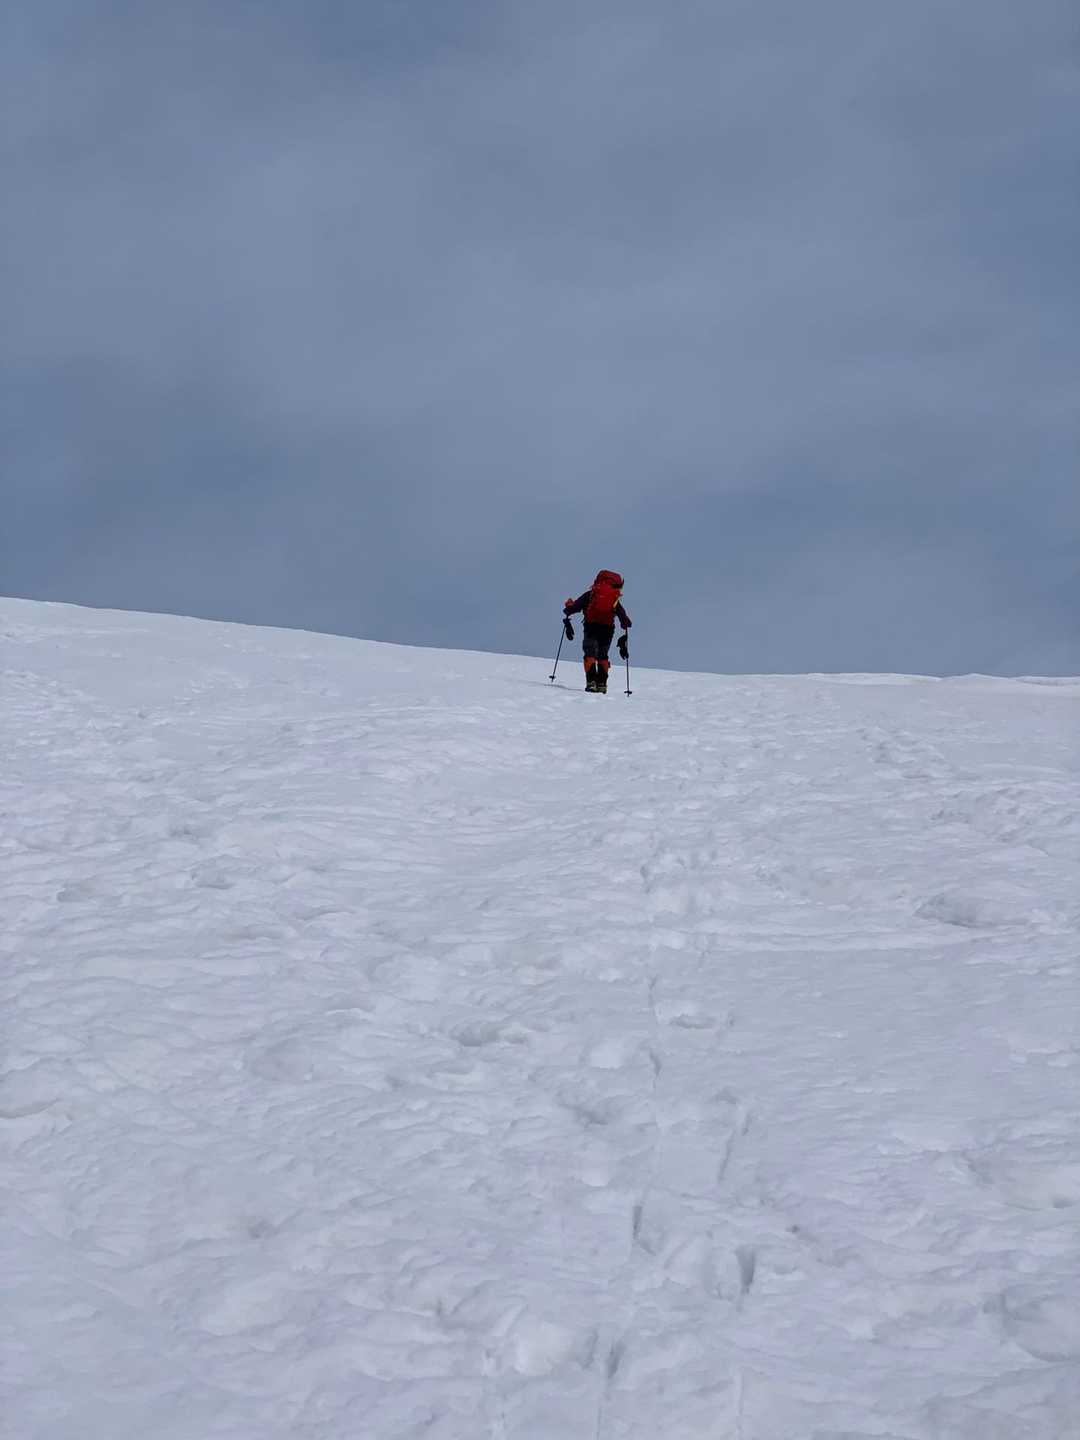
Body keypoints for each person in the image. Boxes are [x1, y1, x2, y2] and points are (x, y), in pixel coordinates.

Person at [563, 570, 631, 692]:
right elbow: (621, 614)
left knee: (590, 653)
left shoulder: (591, 594)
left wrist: (568, 608)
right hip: (608, 629)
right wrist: (625, 623)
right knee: (603, 655)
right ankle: (602, 685)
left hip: (591, 627)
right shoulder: (614, 598)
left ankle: (591, 683)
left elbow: (575, 607)